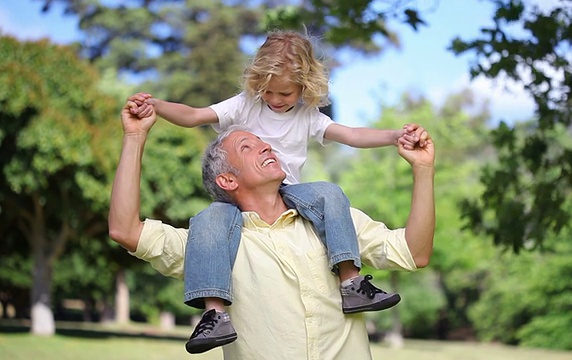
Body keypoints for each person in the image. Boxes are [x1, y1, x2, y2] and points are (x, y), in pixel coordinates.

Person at [129, 30, 421, 354]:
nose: (276, 99)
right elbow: (195, 116)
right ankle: (214, 313)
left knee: (329, 193)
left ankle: (351, 283)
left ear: (305, 87)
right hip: (242, 199)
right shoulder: (244, 106)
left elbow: (351, 134)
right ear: (257, 82)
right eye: (268, 90)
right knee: (209, 221)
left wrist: (394, 136)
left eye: (285, 92)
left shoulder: (307, 116)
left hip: (292, 196)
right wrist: (156, 105)